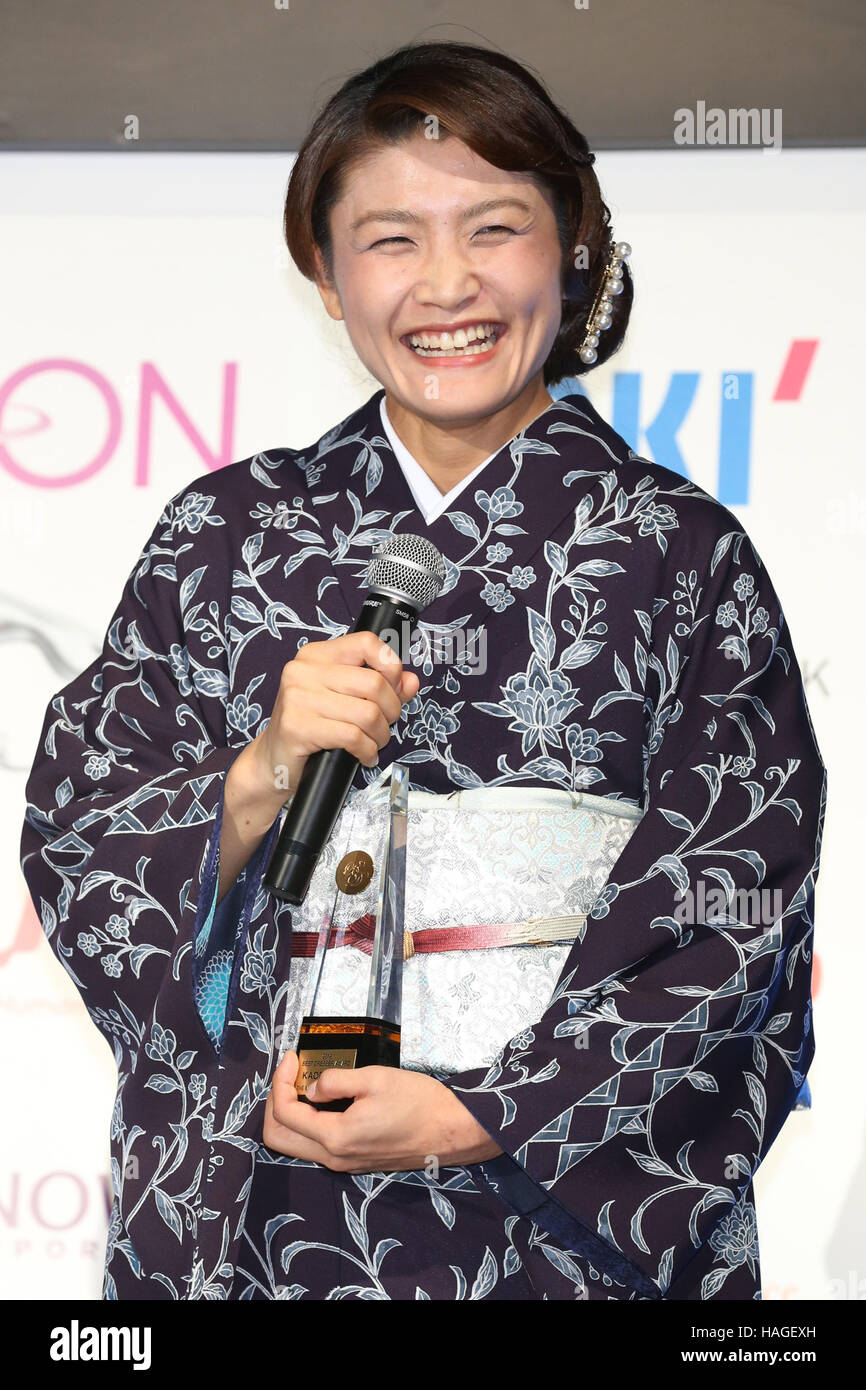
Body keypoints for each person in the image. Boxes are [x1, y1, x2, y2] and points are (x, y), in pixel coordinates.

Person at [20, 40, 825, 1301]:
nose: (445, 284)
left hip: (561, 1219)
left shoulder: (680, 553)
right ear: (327, 281)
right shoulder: (223, 534)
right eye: (390, 240)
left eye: (493, 228)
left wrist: (479, 1112)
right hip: (271, 1199)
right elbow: (83, 836)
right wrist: (259, 771)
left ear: (569, 249)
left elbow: (737, 901)